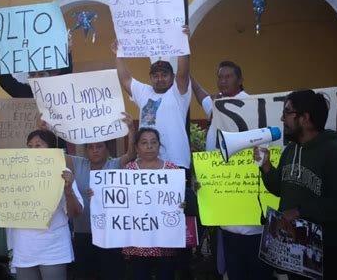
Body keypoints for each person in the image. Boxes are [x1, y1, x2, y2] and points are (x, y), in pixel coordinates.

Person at [254, 90, 337, 280]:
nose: (282, 118)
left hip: (326, 255)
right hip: (295, 253)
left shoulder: (334, 152)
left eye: (287, 112)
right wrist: (266, 166)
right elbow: (278, 189)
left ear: (305, 118)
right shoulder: (290, 150)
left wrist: (300, 211)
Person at [192, 61, 273, 280]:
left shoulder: (251, 105)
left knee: (256, 268)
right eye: (219, 77)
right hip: (224, 203)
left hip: (248, 201)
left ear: (240, 79)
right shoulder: (218, 105)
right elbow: (200, 94)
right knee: (233, 266)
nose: (223, 80)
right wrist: (184, 69)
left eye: (228, 76)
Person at [0, 130, 83, 280]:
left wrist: (68, 189)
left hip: (53, 247)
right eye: (30, 146)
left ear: (52, 150)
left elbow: (75, 213)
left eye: (38, 145)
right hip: (23, 246)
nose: (33, 150)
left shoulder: (63, 173)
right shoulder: (13, 172)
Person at [112, 26, 192, 171]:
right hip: (145, 164)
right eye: (155, 76)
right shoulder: (144, 92)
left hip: (177, 161)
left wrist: (183, 45)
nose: (159, 79)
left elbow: (183, 73)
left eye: (164, 75)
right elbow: (125, 79)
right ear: (150, 78)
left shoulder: (178, 92)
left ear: (172, 77)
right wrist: (118, 54)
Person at [67, 113, 135, 280]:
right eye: (91, 147)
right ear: (86, 150)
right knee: (84, 275)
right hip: (83, 231)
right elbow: (53, 156)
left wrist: (131, 129)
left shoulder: (115, 164)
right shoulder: (78, 163)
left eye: (99, 146)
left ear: (107, 149)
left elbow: (132, 155)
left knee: (111, 273)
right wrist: (50, 130)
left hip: (110, 233)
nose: (95, 150)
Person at [122, 127, 182, 280]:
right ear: (137, 147)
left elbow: (179, 201)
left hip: (166, 241)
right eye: (144, 143)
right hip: (138, 241)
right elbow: (119, 200)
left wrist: (182, 205)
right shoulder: (128, 171)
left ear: (159, 146)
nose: (149, 146)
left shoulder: (172, 170)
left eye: (153, 142)